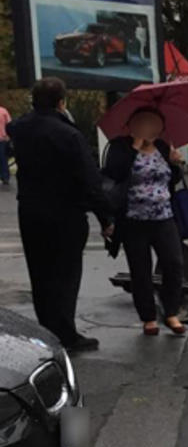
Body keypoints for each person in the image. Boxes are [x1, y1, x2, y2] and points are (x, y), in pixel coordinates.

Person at [8, 78, 113, 353]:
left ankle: (47, 331)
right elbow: (89, 179)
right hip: (65, 214)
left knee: (40, 274)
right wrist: (106, 217)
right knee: (65, 276)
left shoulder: (19, 129)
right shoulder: (68, 135)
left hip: (30, 211)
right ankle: (66, 334)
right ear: (61, 102)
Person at [102, 108, 187, 336]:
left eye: (154, 123)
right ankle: (148, 317)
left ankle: (171, 311)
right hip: (133, 219)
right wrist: (134, 148)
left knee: (174, 263)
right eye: (144, 123)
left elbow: (171, 179)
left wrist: (176, 163)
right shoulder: (120, 147)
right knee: (141, 270)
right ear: (132, 125)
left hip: (164, 216)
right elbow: (114, 174)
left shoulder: (162, 146)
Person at [0, 104, 11, 185]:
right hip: (3, 138)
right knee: (3, 158)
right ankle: (5, 177)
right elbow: (9, 124)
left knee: (3, 158)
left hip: (3, 138)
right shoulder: (4, 111)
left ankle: (4, 176)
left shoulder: (3, 111)